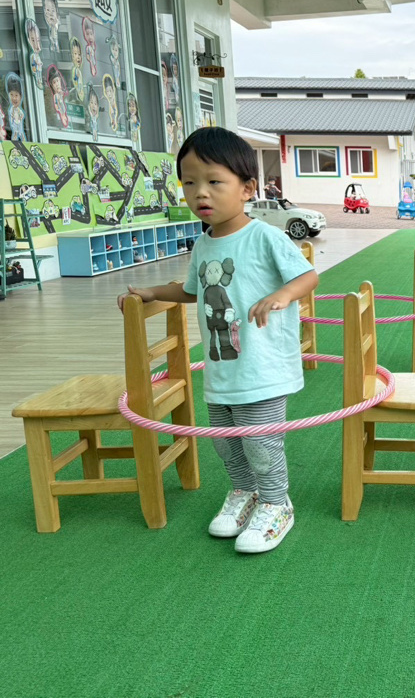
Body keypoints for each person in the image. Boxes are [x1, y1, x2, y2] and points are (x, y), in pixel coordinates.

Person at [117, 127, 319, 554]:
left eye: (213, 181)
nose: (200, 193)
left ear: (247, 189)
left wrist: (282, 295)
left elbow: (307, 276)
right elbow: (191, 290)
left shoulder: (264, 236)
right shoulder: (203, 244)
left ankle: (276, 503)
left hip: (262, 366)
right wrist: (152, 292)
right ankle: (244, 493)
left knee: (260, 442)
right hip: (221, 366)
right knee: (227, 443)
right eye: (189, 182)